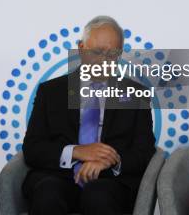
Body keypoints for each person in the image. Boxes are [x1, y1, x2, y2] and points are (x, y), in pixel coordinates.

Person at [22, 16, 156, 215]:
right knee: (48, 193)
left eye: (112, 54)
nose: (104, 61)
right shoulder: (51, 92)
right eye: (97, 52)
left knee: (98, 195)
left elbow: (144, 152)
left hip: (110, 182)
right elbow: (33, 148)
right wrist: (77, 151)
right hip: (58, 177)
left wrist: (111, 160)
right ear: (81, 48)